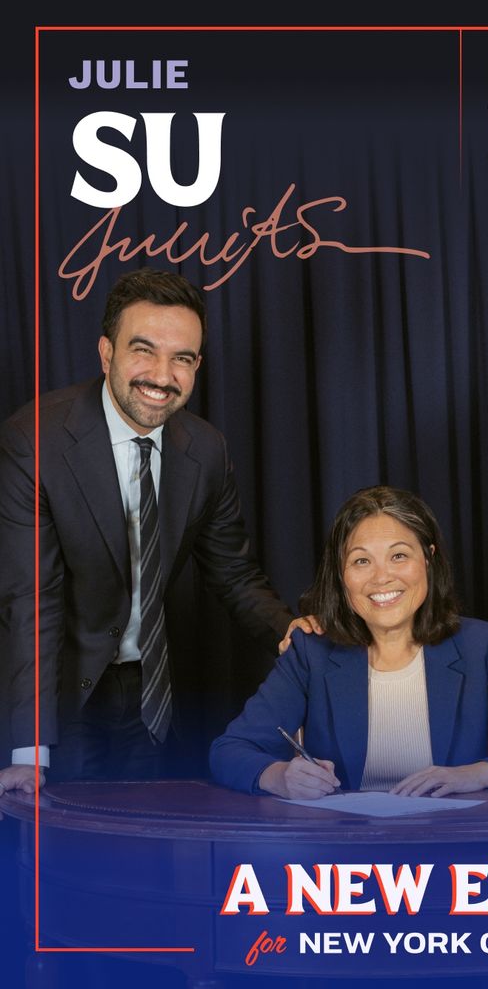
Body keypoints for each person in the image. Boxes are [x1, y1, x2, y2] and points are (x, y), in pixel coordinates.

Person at [0, 268, 318, 794]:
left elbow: (233, 572)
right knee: (63, 854)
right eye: (143, 350)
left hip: (151, 694)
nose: (162, 374)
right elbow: (30, 601)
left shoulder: (206, 449)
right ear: (107, 354)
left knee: (145, 848)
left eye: (183, 358)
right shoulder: (35, 441)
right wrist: (30, 748)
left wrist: (284, 630)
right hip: (57, 692)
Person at [210, 485, 488, 798]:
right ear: (342, 576)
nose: (381, 578)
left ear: (428, 559)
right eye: (361, 562)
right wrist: (279, 777)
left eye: (399, 556)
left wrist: (477, 774)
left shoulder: (480, 645)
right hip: (341, 856)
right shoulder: (312, 651)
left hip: (454, 851)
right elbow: (229, 751)